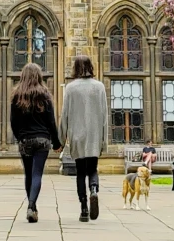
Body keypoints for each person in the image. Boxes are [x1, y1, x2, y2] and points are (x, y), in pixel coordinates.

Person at [9, 61, 61, 222]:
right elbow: (51, 121)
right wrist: (56, 142)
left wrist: (19, 138)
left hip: (25, 140)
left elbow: (13, 122)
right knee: (37, 173)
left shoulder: (17, 96)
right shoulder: (45, 95)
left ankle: (32, 206)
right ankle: (32, 206)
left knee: (28, 174)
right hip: (42, 140)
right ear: (39, 76)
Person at [60, 54, 108, 222]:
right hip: (95, 134)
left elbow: (64, 115)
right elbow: (104, 116)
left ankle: (84, 209)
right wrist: (104, 141)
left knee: (80, 172)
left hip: (77, 136)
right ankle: (94, 189)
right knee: (93, 169)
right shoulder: (99, 87)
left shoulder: (70, 88)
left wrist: (61, 137)